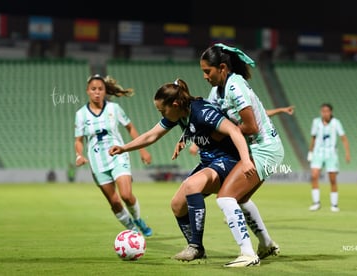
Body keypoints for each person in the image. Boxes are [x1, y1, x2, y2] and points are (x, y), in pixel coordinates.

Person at [109, 78, 258, 267]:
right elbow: (151, 135)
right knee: (177, 205)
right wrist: (123, 148)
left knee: (192, 185)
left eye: (163, 110)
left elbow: (234, 131)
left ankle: (195, 247)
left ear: (176, 104)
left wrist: (245, 161)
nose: (162, 114)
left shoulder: (203, 112)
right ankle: (196, 247)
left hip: (229, 161)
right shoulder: (179, 114)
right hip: (209, 162)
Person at [197, 43, 285, 266]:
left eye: (208, 71)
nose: (205, 76)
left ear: (223, 68)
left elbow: (252, 127)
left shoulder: (236, 87)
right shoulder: (216, 92)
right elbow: (207, 121)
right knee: (241, 199)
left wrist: (219, 137)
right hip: (254, 148)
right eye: (203, 72)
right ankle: (266, 244)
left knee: (226, 197)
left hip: (264, 148)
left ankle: (247, 254)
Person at [74, 74, 153, 236]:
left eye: (100, 89)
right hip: (97, 162)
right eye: (93, 89)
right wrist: (79, 154)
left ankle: (137, 218)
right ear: (87, 91)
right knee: (114, 201)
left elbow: (130, 127)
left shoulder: (114, 109)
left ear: (105, 91)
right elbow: (79, 140)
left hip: (118, 155)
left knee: (125, 195)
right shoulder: (81, 114)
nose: (97, 92)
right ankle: (132, 230)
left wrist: (142, 149)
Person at [188, 106, 295, 155]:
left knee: (231, 196)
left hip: (231, 149)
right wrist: (197, 144)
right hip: (219, 149)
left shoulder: (237, 101)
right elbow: (208, 122)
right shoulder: (217, 98)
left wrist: (281, 110)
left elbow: (258, 115)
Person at [307, 103, 351, 212]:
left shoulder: (336, 123)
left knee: (332, 179)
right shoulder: (316, 122)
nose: (324, 113)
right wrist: (310, 152)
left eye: (327, 111)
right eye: (323, 111)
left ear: (331, 112)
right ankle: (316, 203)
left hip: (331, 153)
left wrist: (347, 153)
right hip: (318, 152)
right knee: (314, 176)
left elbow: (343, 138)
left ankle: (334, 205)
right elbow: (313, 138)